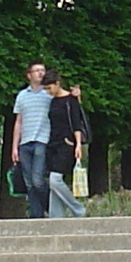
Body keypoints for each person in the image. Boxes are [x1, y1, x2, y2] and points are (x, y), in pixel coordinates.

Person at [9, 60, 54, 219]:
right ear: (29, 75)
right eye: (36, 70)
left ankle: (53, 207)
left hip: (42, 140)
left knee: (38, 180)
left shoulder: (49, 94)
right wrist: (14, 147)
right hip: (25, 143)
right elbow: (18, 122)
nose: (40, 73)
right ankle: (37, 216)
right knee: (29, 183)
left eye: (42, 70)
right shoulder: (22, 96)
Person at [44, 71, 90, 218]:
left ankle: (78, 209)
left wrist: (77, 145)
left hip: (67, 144)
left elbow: (77, 123)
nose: (48, 92)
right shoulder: (52, 101)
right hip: (53, 144)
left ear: (57, 84)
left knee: (55, 180)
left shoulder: (71, 100)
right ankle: (56, 216)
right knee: (53, 182)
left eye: (49, 88)